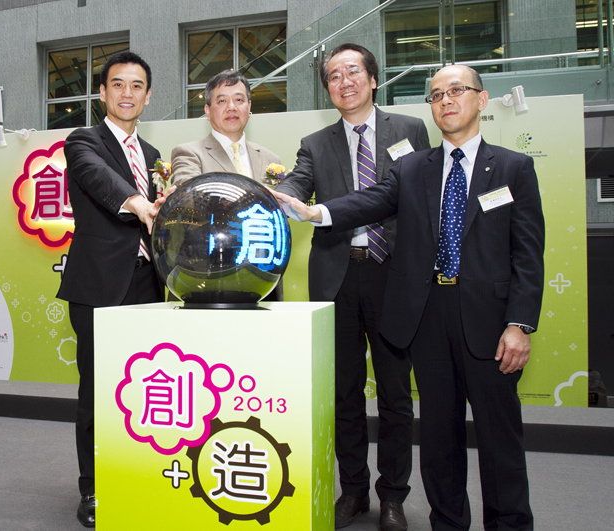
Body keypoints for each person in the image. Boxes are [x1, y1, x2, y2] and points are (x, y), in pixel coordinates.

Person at [275, 64, 544, 531]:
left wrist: (519, 323)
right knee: (439, 439)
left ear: (481, 100)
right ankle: (448, 523)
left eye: (457, 91)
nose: (446, 101)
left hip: (491, 321)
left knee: (500, 440)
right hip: (428, 318)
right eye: (437, 94)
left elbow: (528, 254)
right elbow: (370, 201)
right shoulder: (414, 168)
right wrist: (315, 211)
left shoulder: (513, 167)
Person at [275, 43, 429, 530]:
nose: (344, 81)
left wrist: (321, 211)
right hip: (337, 278)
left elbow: (408, 194)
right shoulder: (315, 143)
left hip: (393, 274)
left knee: (394, 394)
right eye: (334, 75)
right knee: (343, 393)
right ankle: (354, 491)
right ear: (328, 89)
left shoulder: (410, 130)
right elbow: (299, 184)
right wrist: (283, 198)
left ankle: (393, 496)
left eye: (353, 71)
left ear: (373, 78)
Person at [56, 50, 164, 528]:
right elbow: (98, 179)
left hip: (149, 283)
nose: (126, 93)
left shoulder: (156, 156)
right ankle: (94, 489)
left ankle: (135, 474)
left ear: (147, 95)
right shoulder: (84, 141)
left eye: (136, 85)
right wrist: (138, 202)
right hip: (99, 286)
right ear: (102, 93)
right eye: (117, 84)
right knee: (98, 392)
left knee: (144, 391)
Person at [171, 68, 284, 300]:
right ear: (207, 110)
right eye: (222, 101)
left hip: (262, 277)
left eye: (239, 100)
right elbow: (190, 193)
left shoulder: (271, 159)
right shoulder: (189, 153)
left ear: (249, 107)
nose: (231, 107)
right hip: (205, 277)